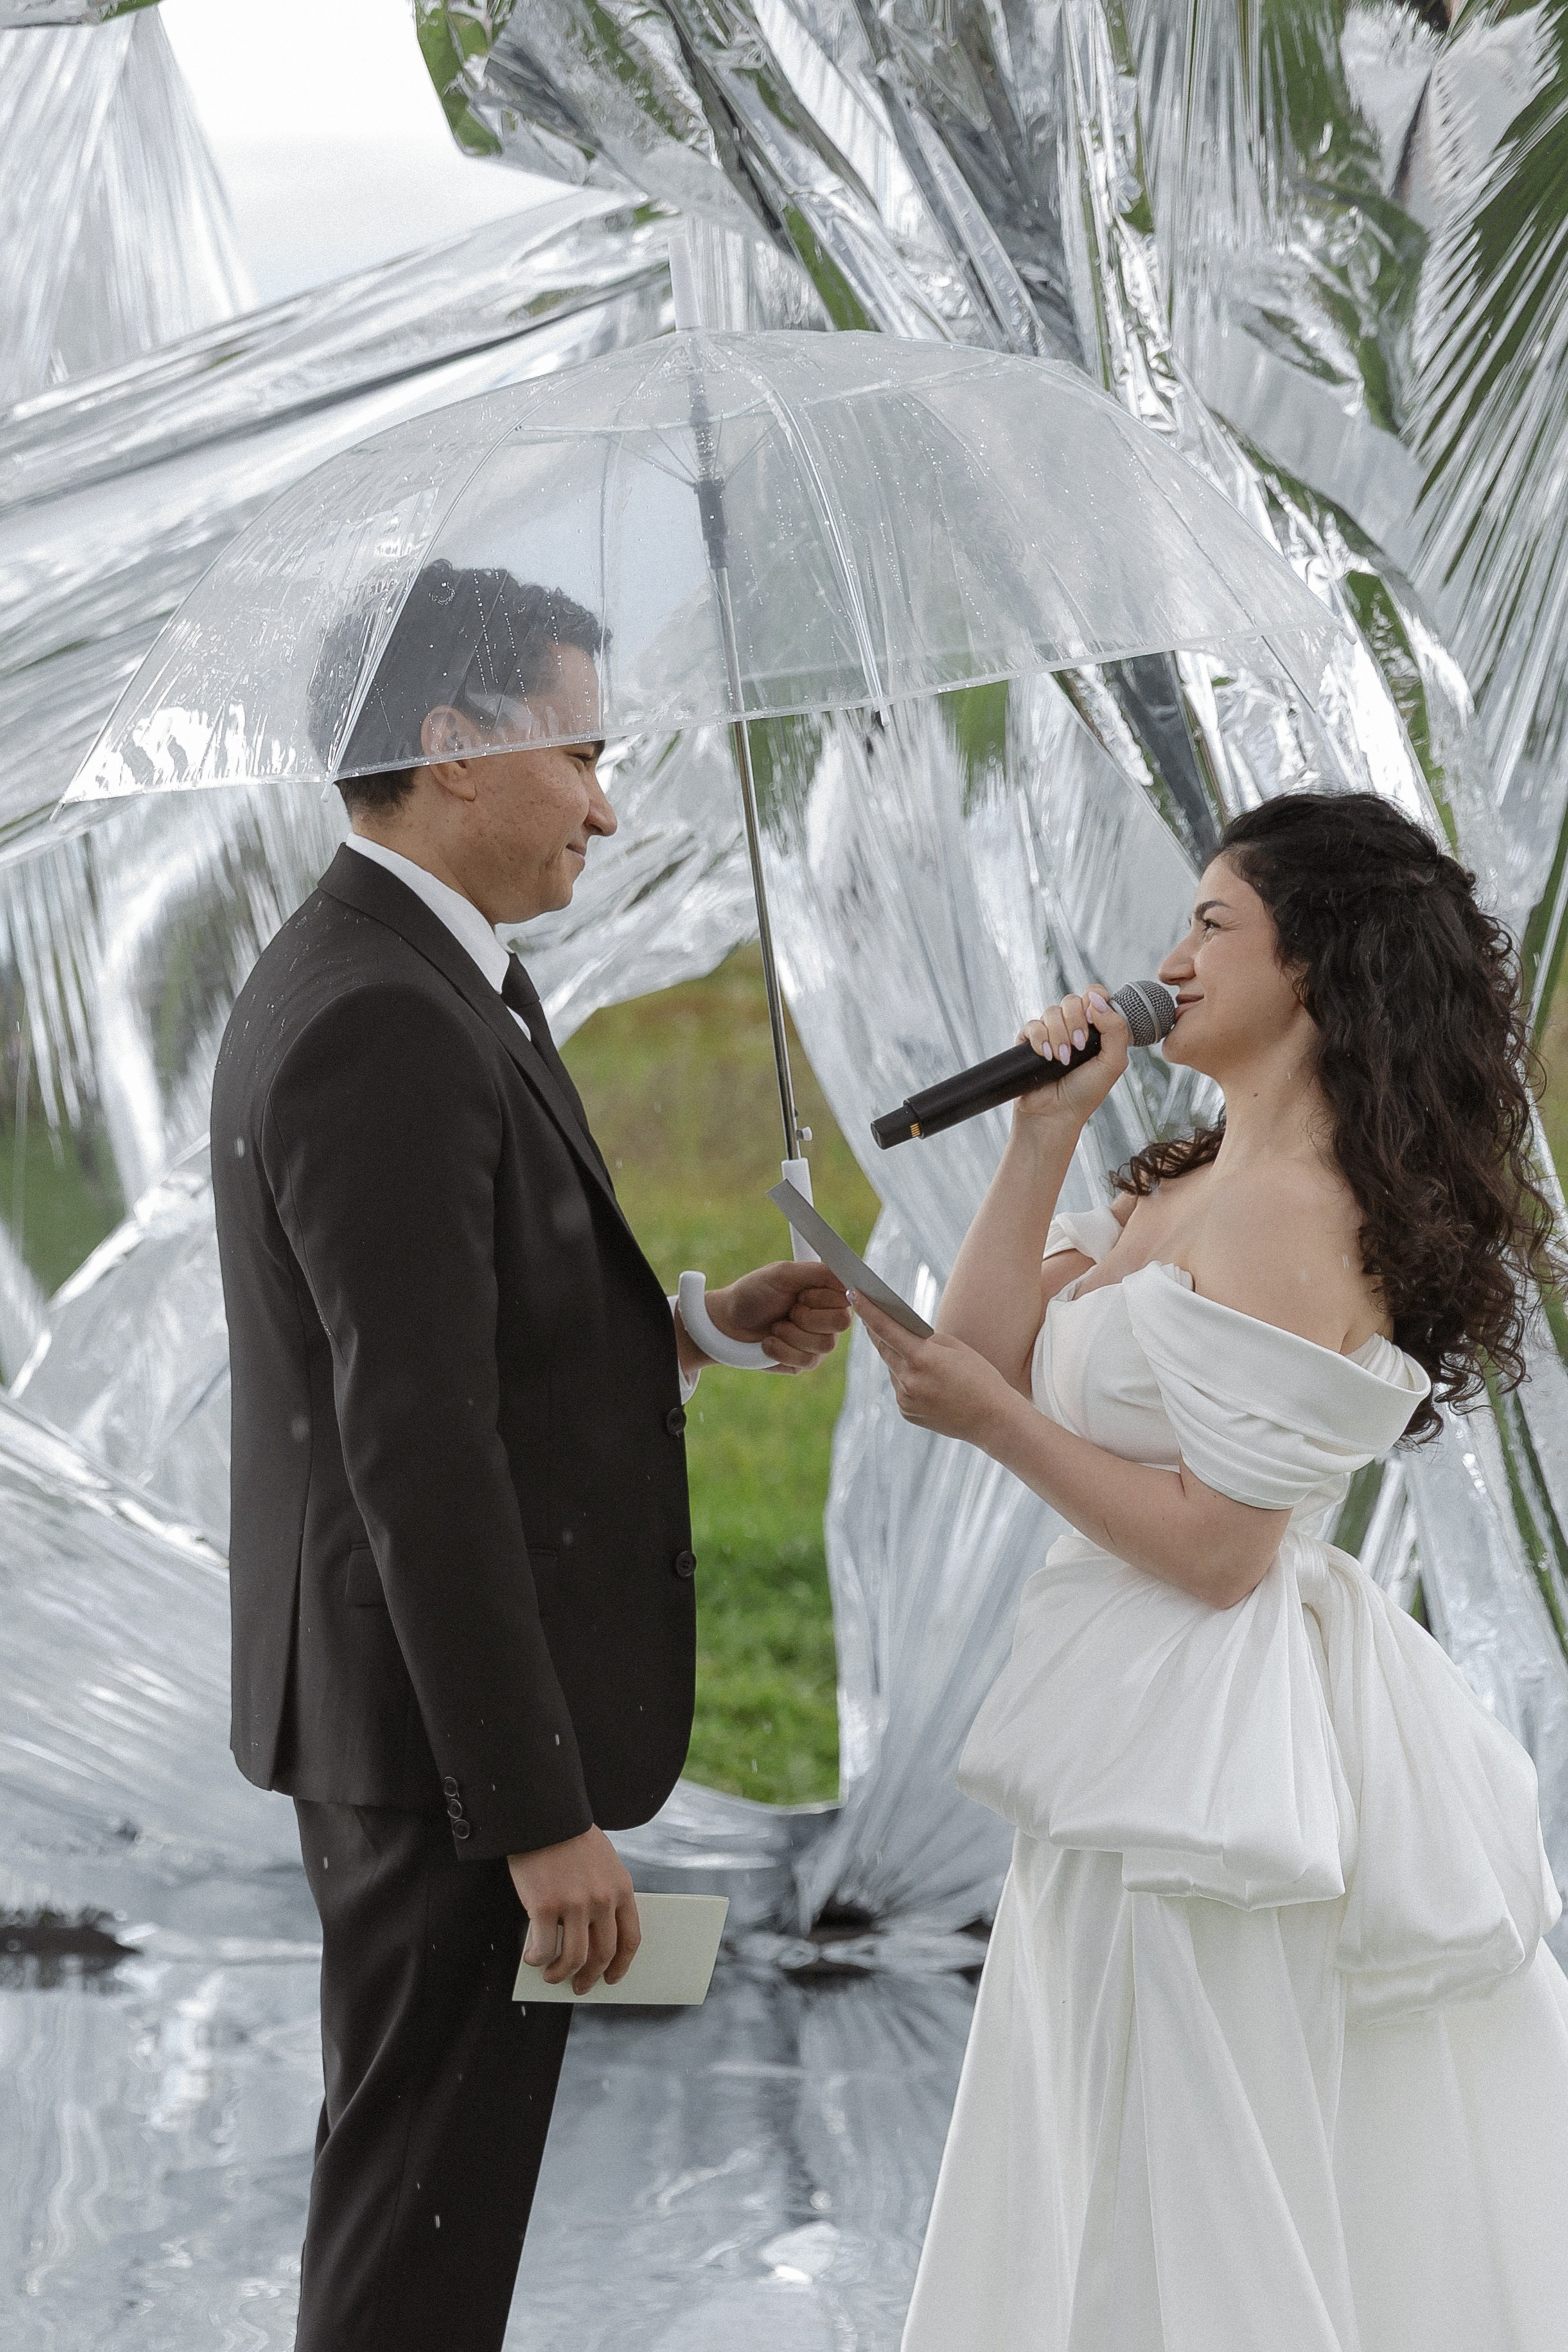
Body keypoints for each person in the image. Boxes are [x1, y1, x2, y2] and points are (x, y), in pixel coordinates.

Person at [209, 561, 849, 2352]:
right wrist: (537, 1812)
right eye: (579, 745)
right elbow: (412, 1444)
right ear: (453, 744)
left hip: (411, 1721)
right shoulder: (381, 1018)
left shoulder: (414, 970)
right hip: (439, 1747)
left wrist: (696, 1328)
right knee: (423, 2223)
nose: (606, 800)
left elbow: (457, 1349)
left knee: (425, 2199)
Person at [852, 791, 1568, 2351]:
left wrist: (995, 1426)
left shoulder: (1301, 1216)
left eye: (1211, 926)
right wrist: (1045, 1131)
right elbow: (978, 1357)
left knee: (1191, 2150)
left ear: (1312, 967)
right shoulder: (1174, 1184)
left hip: (1211, 1744)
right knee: (1089, 2128)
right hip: (1120, 1720)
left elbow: (1221, 1549)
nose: (1166, 960)